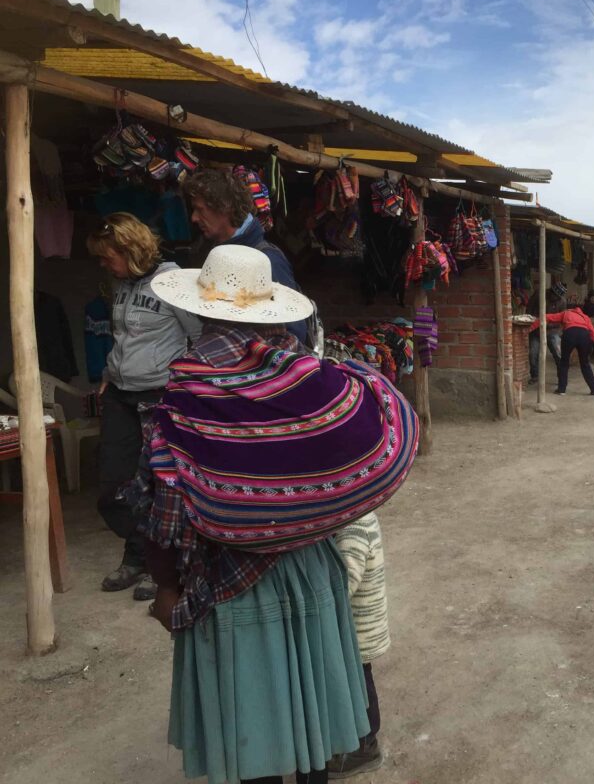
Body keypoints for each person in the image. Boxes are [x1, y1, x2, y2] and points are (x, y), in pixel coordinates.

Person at [139, 244, 417, 784]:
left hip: (228, 579)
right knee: (310, 703)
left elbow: (165, 512)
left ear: (198, 309)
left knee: (252, 716)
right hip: (316, 571)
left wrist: (167, 587)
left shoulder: (184, 398)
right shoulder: (318, 379)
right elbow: (374, 425)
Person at [88, 212, 200, 601]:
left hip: (159, 395)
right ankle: (138, 551)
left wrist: (187, 385)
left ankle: (155, 563)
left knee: (160, 484)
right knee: (115, 483)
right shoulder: (120, 284)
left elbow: (199, 338)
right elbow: (123, 338)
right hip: (120, 392)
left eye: (108, 256)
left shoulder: (173, 283)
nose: (104, 264)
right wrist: (107, 372)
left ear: (130, 249)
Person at [182, 168, 308, 344]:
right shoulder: (210, 251)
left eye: (199, 209)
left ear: (224, 206)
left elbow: (295, 335)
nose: (194, 218)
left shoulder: (267, 259)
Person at [329, 512, 390, 778]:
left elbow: (345, 584)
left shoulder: (355, 527)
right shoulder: (353, 520)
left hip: (358, 631)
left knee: (359, 685)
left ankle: (365, 745)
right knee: (358, 681)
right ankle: (358, 739)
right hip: (356, 627)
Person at [542, 305, 594, 395]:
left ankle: (561, 390)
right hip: (584, 336)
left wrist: (534, 324)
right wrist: (591, 343)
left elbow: (549, 317)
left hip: (570, 334)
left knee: (564, 362)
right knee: (585, 363)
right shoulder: (585, 317)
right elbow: (593, 332)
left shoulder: (566, 313)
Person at [529, 293, 563, 384]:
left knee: (558, 354)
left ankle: (562, 377)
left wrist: (549, 324)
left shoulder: (562, 302)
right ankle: (535, 375)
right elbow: (530, 311)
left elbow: (561, 319)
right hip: (537, 330)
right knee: (533, 353)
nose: (554, 298)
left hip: (552, 331)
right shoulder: (538, 296)